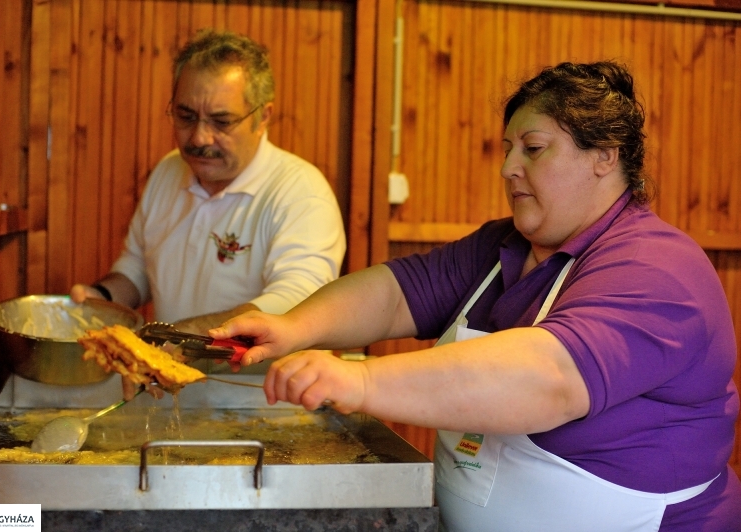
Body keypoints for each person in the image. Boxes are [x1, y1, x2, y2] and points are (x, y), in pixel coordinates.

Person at [210, 61, 741, 531]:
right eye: (508, 150)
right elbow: (397, 292)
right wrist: (294, 325)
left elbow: (547, 378)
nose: (508, 168)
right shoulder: (501, 246)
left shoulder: (657, 268)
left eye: (533, 149)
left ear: (604, 155)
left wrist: (361, 381)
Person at [70, 29, 346, 337]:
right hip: (165, 367)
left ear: (263, 117)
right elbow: (138, 268)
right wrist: (102, 298)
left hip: (258, 372)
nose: (200, 138)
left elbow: (296, 303)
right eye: (186, 117)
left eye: (221, 122)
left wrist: (186, 335)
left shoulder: (300, 193)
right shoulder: (169, 171)